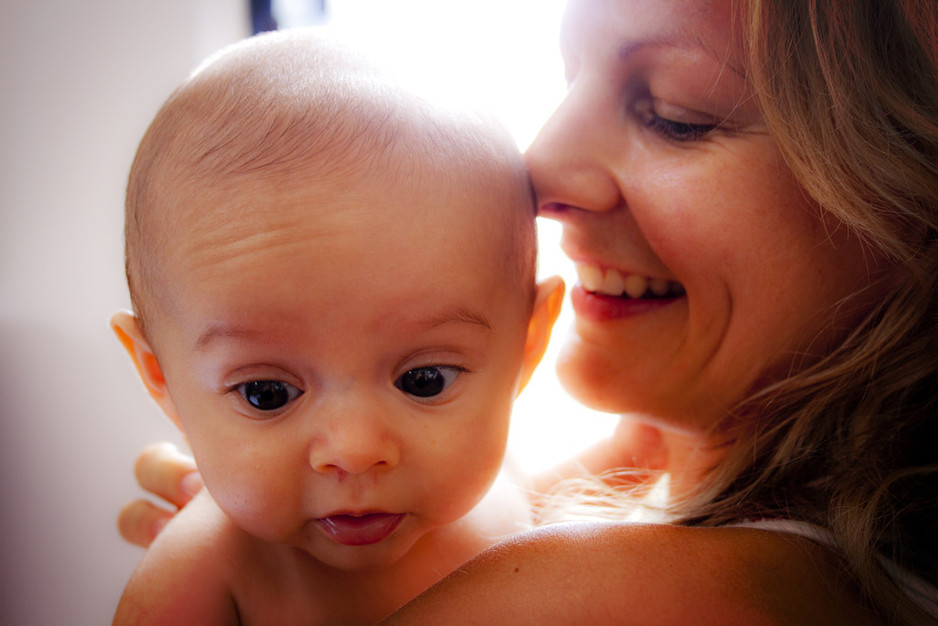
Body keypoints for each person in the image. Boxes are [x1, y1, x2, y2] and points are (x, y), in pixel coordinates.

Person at [120, 0, 938, 623]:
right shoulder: (650, 466)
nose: (540, 163)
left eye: (676, 113)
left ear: (912, 200)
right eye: (268, 393)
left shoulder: (637, 594)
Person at [109, 29, 564, 625]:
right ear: (159, 376)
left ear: (525, 345)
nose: (354, 450)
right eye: (267, 394)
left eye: (423, 380)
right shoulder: (202, 572)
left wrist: (632, 449)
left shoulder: (506, 488)